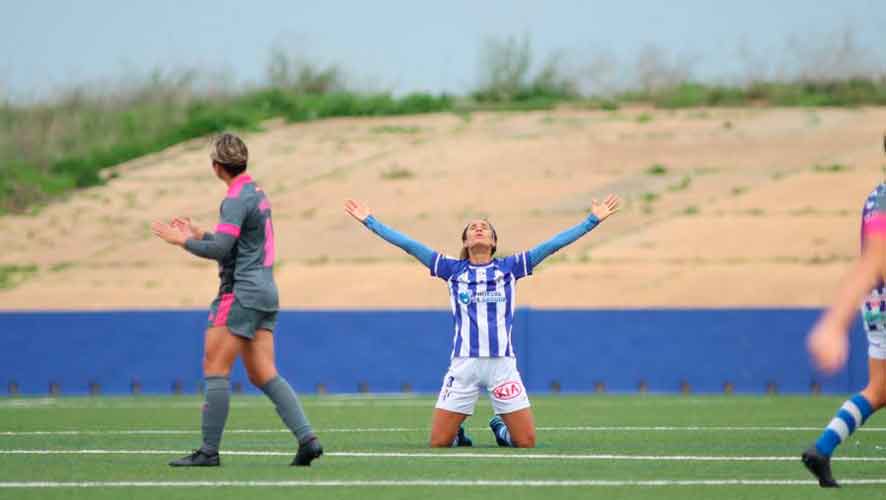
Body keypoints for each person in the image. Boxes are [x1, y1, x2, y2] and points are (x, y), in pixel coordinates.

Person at [344, 194, 620, 448]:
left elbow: (552, 245)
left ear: (493, 242)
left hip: (502, 364)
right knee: (439, 443)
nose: (478, 229)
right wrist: (370, 221)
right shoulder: (451, 270)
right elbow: (408, 245)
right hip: (464, 363)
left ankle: (500, 427)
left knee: (525, 442)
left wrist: (591, 220)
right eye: (472, 228)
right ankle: (458, 434)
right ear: (465, 242)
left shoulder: (510, 268)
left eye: (484, 228)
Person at [151, 133, 322, 467]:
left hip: (240, 292)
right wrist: (200, 233)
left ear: (216, 167)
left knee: (215, 367)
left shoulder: (234, 199)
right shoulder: (255, 192)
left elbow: (221, 251)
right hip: (265, 291)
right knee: (263, 373)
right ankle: (308, 439)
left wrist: (181, 241)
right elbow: (236, 242)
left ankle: (208, 451)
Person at [802, 179, 886, 487]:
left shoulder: (877, 196)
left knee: (879, 390)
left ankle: (822, 449)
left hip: (876, 304)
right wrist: (835, 324)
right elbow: (876, 259)